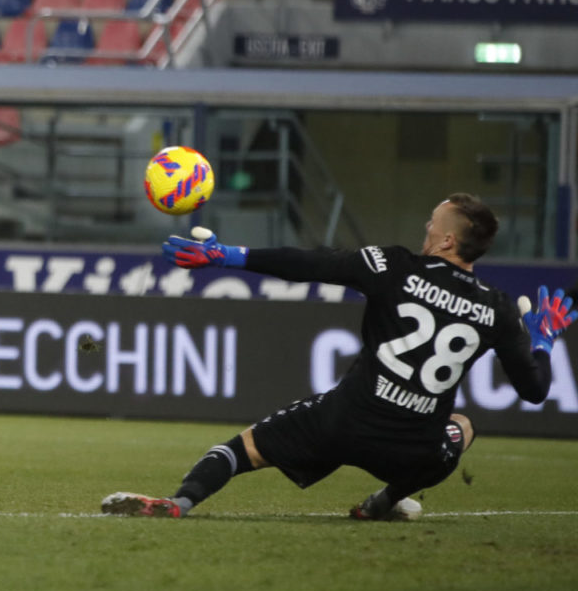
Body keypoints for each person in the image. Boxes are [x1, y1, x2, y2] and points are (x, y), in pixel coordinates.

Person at [102, 194, 575, 520]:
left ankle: (179, 503)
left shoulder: (394, 266)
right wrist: (544, 339)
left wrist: (227, 256)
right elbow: (534, 390)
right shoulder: (497, 308)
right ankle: (381, 503)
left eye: (434, 221)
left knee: (240, 449)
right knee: (464, 427)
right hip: (413, 450)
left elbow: (311, 264)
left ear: (448, 240)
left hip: (341, 422)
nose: (427, 226)